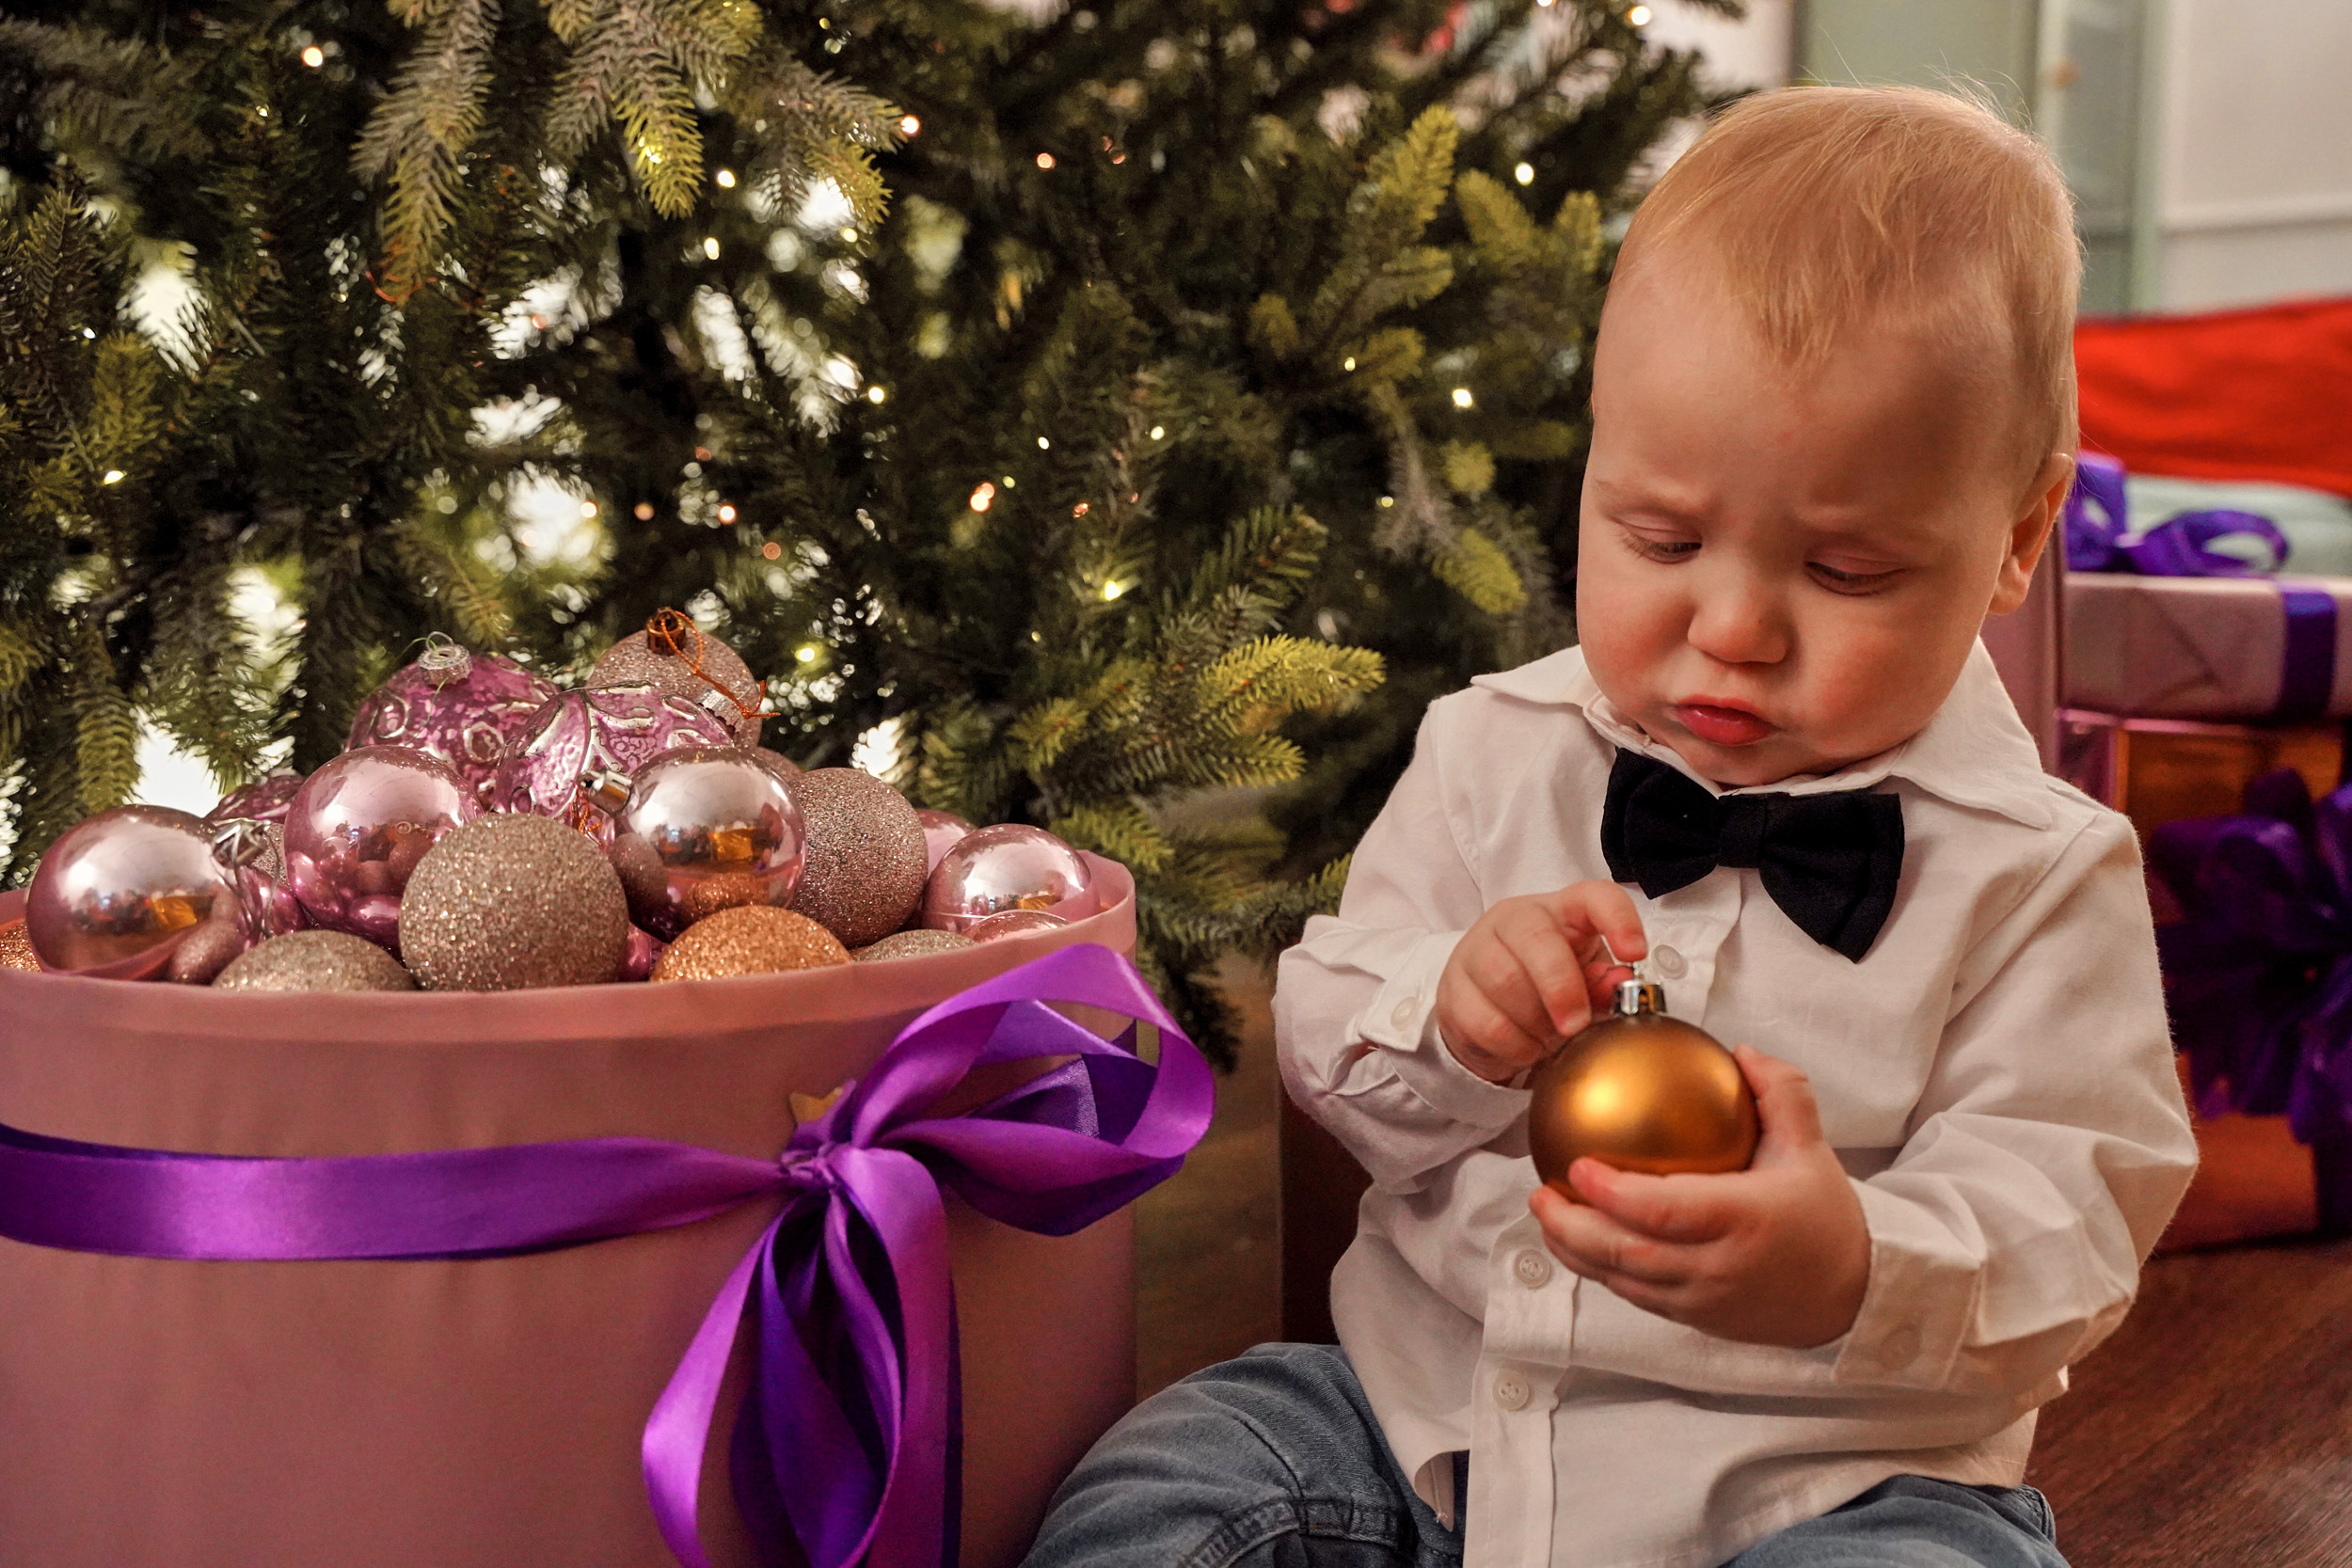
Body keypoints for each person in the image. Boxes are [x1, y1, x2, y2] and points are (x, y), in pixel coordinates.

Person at [1020, 84, 2200, 1568]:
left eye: (1843, 573)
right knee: (1168, 1493)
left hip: (1824, 1483)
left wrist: (1850, 1269)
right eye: (1662, 537)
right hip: (1424, 1424)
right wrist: (1449, 1020)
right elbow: (1324, 1037)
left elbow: (2078, 1216)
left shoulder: (2038, 877)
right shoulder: (1492, 753)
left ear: (2020, 536)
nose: (1734, 628)